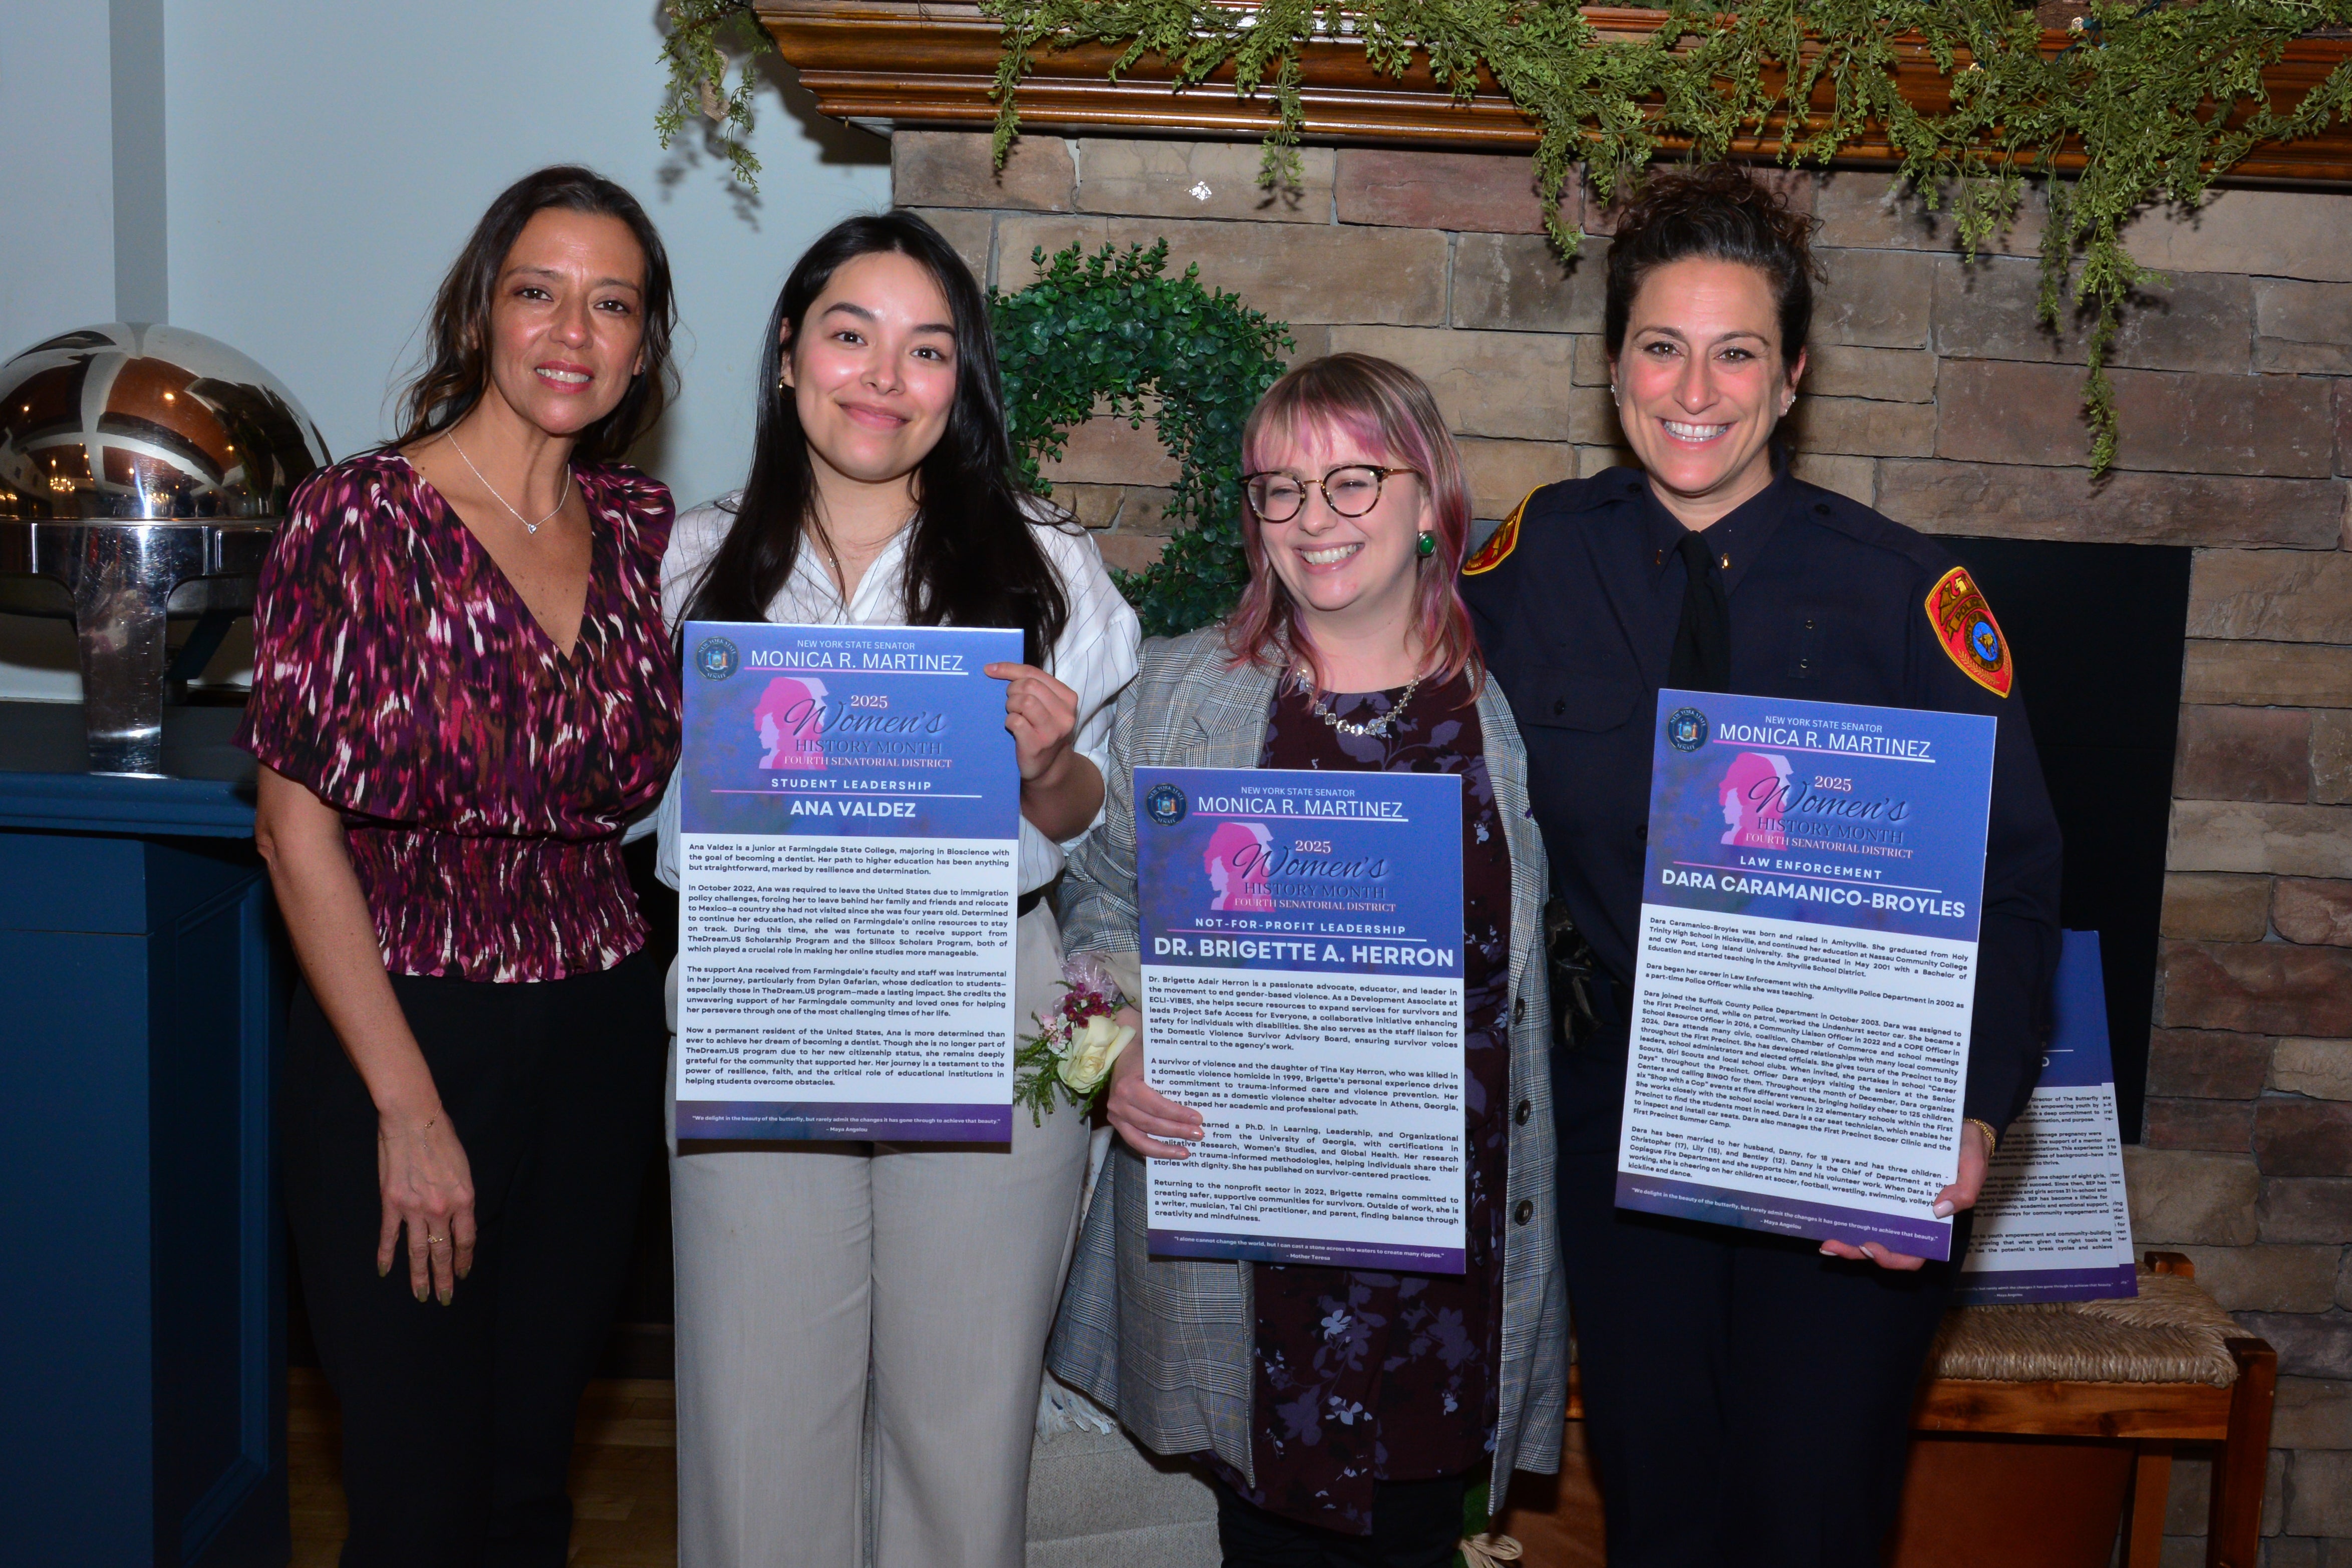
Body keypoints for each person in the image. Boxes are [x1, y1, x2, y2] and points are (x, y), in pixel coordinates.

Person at [1458, 165, 2065, 1566]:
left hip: (1847, 1119)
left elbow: (2014, 880)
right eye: (1660, 347)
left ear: (1792, 379)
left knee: (1811, 1514)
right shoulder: (1527, 569)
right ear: (1614, 367)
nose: (1695, 390)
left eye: (1736, 353)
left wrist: (1969, 1115)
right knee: (1658, 1513)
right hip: (1619, 1133)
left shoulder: (1904, 596)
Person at [653, 210, 1140, 1568]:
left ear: (960, 378)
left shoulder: (1046, 562)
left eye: (926, 349)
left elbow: (1083, 812)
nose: (884, 376)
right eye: (850, 334)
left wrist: (1045, 765)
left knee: (961, 1436)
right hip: (766, 997)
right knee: (753, 1427)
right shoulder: (686, 561)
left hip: (982, 996)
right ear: (787, 355)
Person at [1047, 353, 1568, 1567]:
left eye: (1351, 481)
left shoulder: (1511, 699)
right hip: (1252, 1230)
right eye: (1279, 489)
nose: (1312, 518)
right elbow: (1095, 900)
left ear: (1428, 495)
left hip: (1447, 1229)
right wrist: (1109, 1051)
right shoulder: (1179, 691)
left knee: (1414, 1534)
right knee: (1266, 1530)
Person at [243, 165, 682, 1565]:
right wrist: (408, 1107)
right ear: (480, 312)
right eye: (538, 292)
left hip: (600, 1033)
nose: (572, 332)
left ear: (644, 345)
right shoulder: (358, 517)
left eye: (612, 304)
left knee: (528, 1479)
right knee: (417, 1494)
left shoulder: (643, 534)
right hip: (403, 1027)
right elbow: (292, 830)